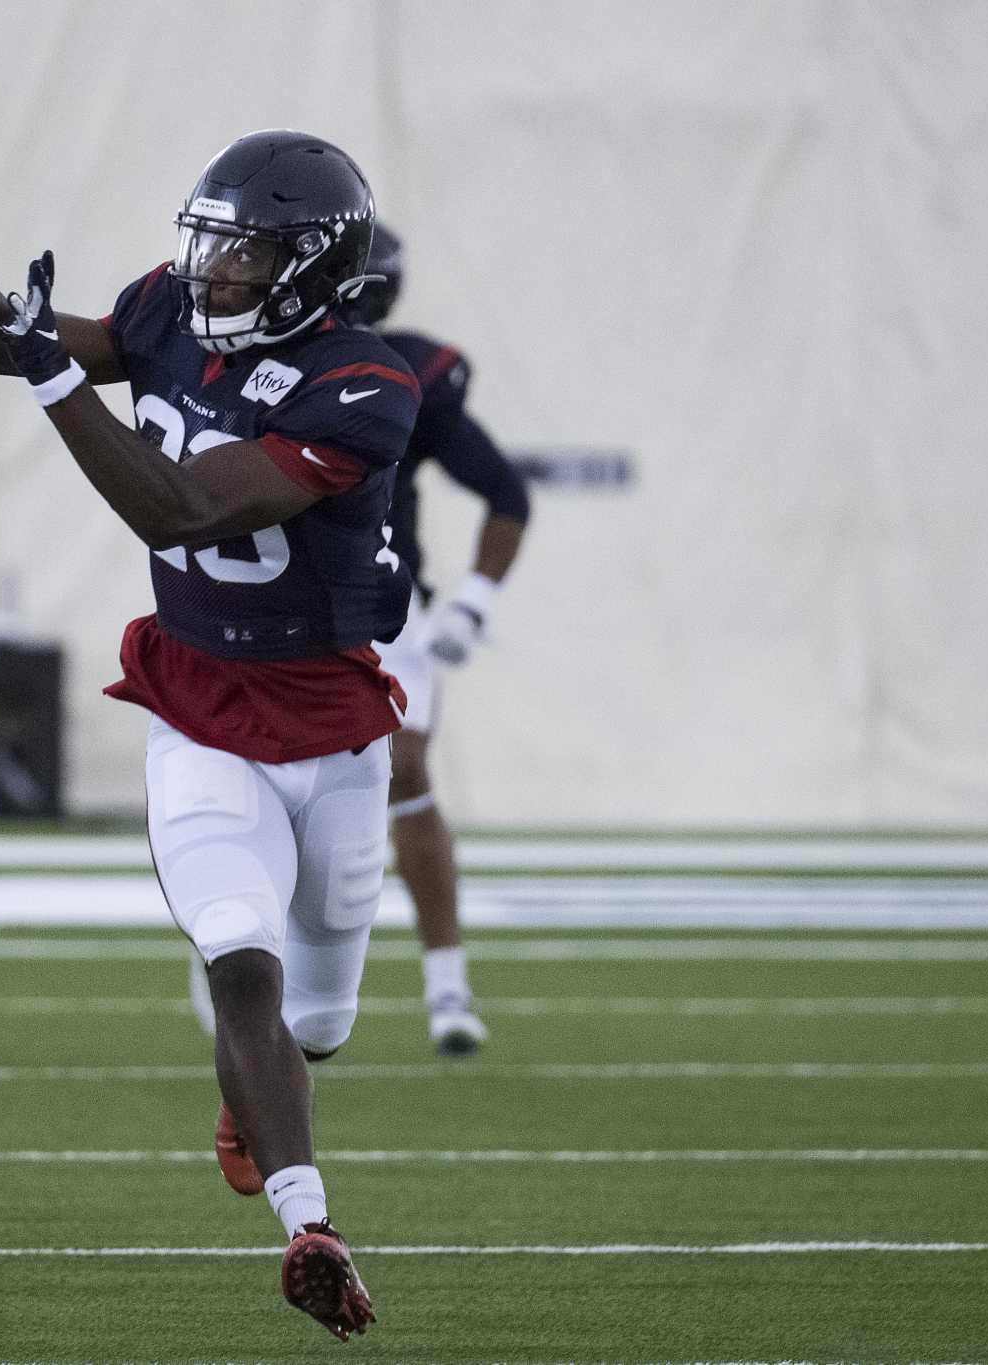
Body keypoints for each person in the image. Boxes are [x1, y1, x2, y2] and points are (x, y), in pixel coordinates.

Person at [0, 118, 418, 1342]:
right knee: (238, 961)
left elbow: (175, 508)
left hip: (330, 727)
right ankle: (309, 1222)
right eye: (209, 243)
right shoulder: (166, 313)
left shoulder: (366, 386)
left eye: (243, 253)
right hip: (199, 703)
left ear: (314, 268)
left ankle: (255, 1089)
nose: (209, 270)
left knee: (315, 1018)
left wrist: (57, 382)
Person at [344, 224, 533, 1055]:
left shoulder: (402, 377)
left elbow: (504, 489)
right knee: (281, 781)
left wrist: (472, 605)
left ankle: (446, 985)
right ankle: (240, 951)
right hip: (275, 607)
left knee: (406, 768)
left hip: (388, 605)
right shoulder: (247, 372)